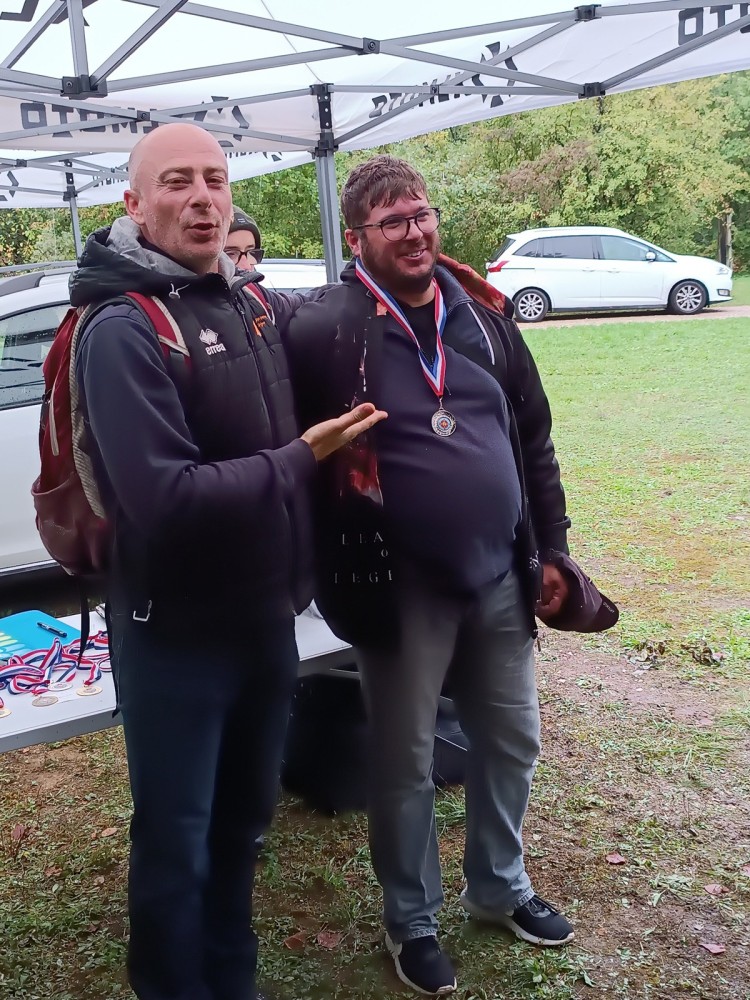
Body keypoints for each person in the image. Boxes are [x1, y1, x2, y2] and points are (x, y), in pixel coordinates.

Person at [69, 122, 385, 1000]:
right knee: (177, 838)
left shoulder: (245, 302)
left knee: (244, 823)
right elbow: (166, 501)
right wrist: (301, 457)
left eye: (215, 178)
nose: (202, 197)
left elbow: (341, 313)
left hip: (263, 622)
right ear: (135, 204)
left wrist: (420, 275)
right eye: (177, 181)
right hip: (174, 634)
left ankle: (230, 978)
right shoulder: (123, 329)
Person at [285, 154, 574, 997]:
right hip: (396, 590)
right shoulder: (326, 329)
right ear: (357, 238)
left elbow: (535, 441)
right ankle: (410, 919)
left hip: (499, 577)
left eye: (421, 215)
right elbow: (292, 453)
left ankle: (501, 888)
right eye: (392, 222)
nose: (414, 233)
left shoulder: (484, 320)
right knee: (404, 762)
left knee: (512, 740)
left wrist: (552, 549)